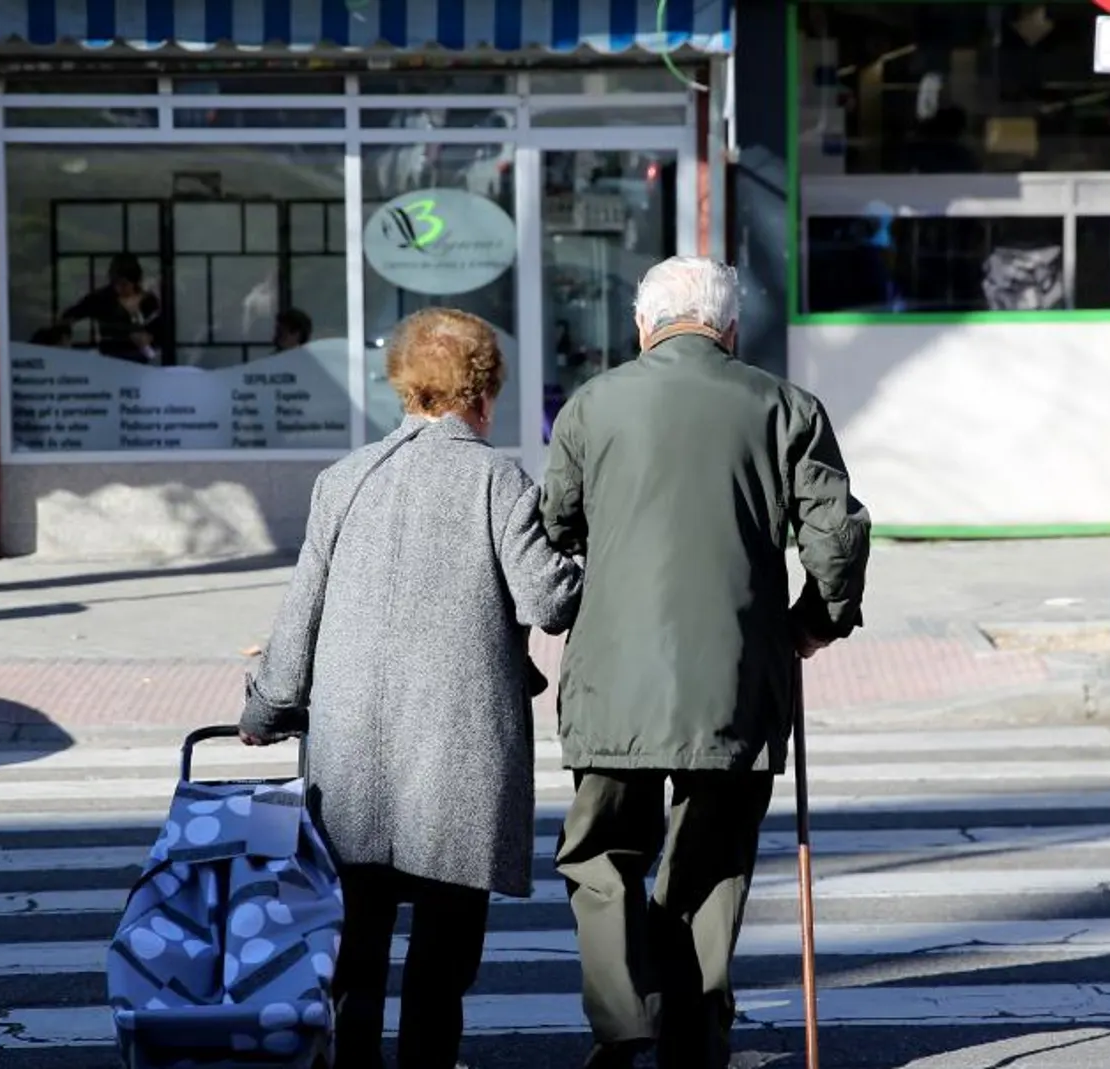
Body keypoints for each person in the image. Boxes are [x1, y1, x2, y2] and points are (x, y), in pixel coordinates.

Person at [541, 256, 871, 1069]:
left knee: (601, 854)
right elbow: (837, 533)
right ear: (728, 327)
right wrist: (816, 621)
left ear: (644, 326)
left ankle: (623, 1028)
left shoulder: (592, 404)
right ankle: (693, 1039)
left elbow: (557, 521)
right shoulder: (785, 406)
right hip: (734, 676)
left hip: (615, 678)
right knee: (711, 862)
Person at [237, 306, 583, 1069]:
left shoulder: (343, 479)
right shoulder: (497, 478)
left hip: (353, 762)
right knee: (441, 965)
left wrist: (264, 707)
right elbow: (550, 601)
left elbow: (300, 617)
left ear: (404, 387)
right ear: (482, 390)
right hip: (458, 764)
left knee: (353, 955)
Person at [58, 253, 160, 363]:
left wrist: (149, 337)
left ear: (134, 281)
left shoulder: (148, 300)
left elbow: (159, 327)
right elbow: (71, 315)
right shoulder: (101, 298)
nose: (121, 288)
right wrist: (65, 336)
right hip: (109, 356)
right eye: (117, 283)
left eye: (125, 284)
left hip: (140, 356)